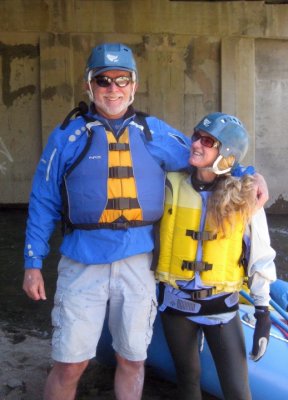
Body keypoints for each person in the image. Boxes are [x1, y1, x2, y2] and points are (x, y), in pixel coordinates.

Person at [22, 43, 268, 400]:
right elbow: (43, 200)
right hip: (82, 261)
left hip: (138, 264)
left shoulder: (154, 133)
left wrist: (250, 173)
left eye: (122, 80)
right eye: (104, 80)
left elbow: (205, 155)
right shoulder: (66, 138)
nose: (113, 88)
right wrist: (33, 264)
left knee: (133, 359)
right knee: (70, 364)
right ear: (89, 85)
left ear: (134, 85)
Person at [156, 112, 277, 400]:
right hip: (176, 305)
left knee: (237, 390)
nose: (196, 143)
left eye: (207, 141)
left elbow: (261, 254)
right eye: (196, 135)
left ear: (227, 154)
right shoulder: (170, 183)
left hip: (220, 308)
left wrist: (262, 311)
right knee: (187, 380)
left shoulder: (246, 196)